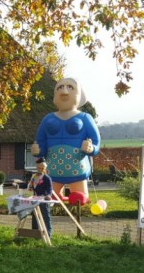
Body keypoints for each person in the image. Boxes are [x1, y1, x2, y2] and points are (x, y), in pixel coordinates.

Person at [30, 77, 101, 205]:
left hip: (77, 170)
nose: (64, 91)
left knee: (79, 199)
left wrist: (91, 148)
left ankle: (78, 199)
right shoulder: (47, 119)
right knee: (49, 199)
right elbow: (41, 142)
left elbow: (96, 141)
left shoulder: (85, 118)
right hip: (52, 171)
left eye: (70, 87)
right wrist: (38, 150)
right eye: (60, 87)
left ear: (79, 94)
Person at [28, 158, 53, 237]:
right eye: (39, 167)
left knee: (45, 217)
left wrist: (48, 195)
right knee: (35, 216)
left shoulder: (47, 178)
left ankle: (48, 234)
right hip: (35, 199)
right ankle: (35, 234)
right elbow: (30, 185)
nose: (41, 169)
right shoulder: (34, 176)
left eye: (42, 168)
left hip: (43, 200)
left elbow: (49, 189)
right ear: (37, 167)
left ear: (45, 168)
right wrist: (20, 186)